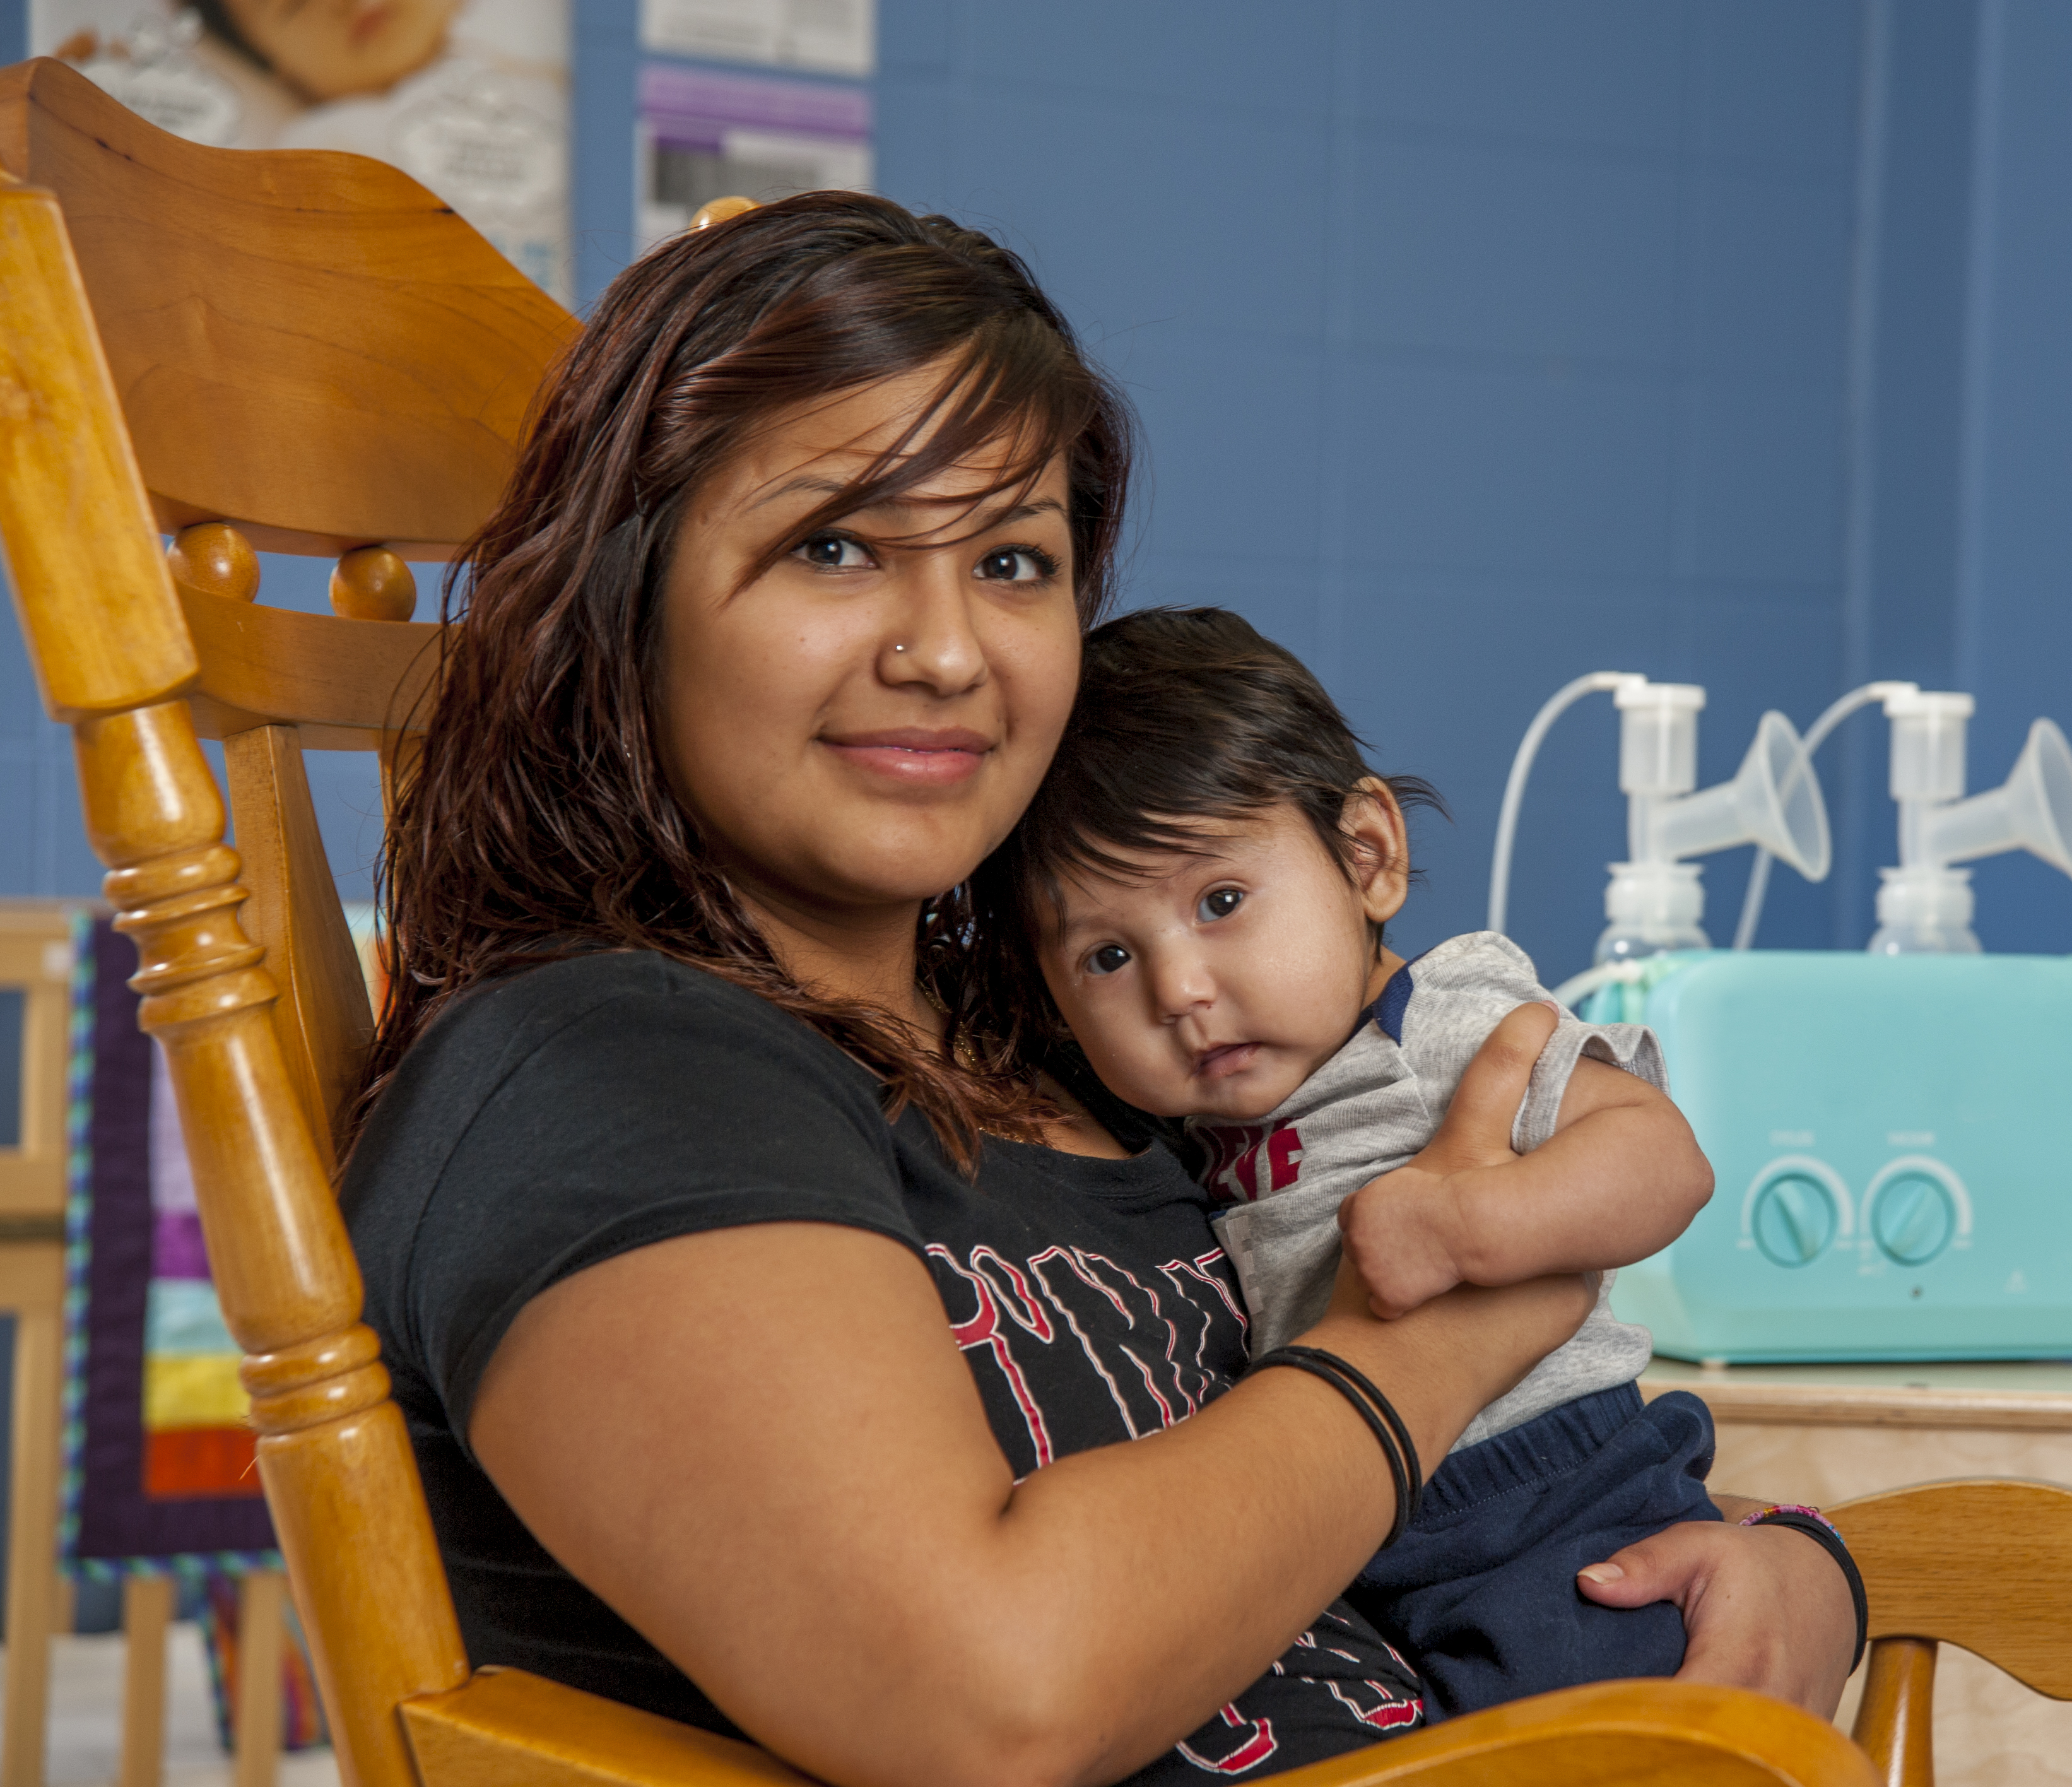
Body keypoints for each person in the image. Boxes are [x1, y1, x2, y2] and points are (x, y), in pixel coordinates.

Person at [341, 189, 1859, 1787]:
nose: (945, 651)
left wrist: (1797, 1568)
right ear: (626, 598)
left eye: (1012, 559)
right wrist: (1440, 1333)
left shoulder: (1082, 1062)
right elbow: (991, 1700)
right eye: (835, 544)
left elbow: (1355, 1516)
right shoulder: (610, 1072)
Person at [983, 606, 1868, 1719]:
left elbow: (1660, 1158)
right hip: (1370, 1533)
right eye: (1109, 955)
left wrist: (1471, 1230)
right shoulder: (1182, 1130)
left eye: (1221, 902)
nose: (1181, 991)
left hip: (1553, 1497)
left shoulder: (1441, 1022)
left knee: (1592, 1734)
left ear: (1368, 856)